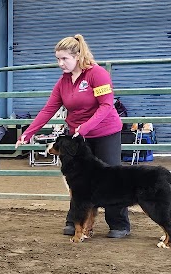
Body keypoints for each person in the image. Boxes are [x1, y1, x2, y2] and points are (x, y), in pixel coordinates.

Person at [15, 34, 128, 238]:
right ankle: (75, 220)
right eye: (58, 59)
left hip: (105, 132)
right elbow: (49, 109)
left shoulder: (97, 74)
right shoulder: (63, 82)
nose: (60, 63)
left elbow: (106, 105)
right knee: (78, 180)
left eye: (64, 58)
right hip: (77, 136)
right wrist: (28, 133)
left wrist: (85, 127)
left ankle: (119, 224)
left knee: (112, 178)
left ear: (78, 56)